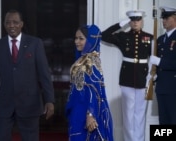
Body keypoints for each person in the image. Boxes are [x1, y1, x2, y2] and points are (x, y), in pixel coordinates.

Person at [0, 9, 55, 141]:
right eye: (8, 22)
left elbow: (44, 74)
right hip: (5, 104)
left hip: (30, 104)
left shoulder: (35, 44)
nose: (11, 25)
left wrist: (49, 100)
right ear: (4, 24)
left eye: (15, 22)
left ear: (21, 24)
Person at [101, 10, 153, 141]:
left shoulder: (150, 37)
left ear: (142, 21)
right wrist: (120, 25)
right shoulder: (123, 36)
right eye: (133, 20)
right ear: (130, 21)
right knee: (128, 113)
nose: (135, 22)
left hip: (143, 78)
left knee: (140, 113)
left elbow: (153, 58)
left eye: (138, 20)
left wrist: (152, 76)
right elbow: (104, 35)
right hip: (127, 77)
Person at [65, 24, 114, 141]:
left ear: (91, 40)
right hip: (78, 108)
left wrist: (90, 114)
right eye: (76, 38)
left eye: (81, 38)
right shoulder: (82, 59)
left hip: (86, 111)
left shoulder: (90, 62)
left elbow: (94, 89)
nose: (77, 41)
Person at [149, 6, 176, 125]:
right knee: (163, 122)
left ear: (174, 18)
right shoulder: (160, 39)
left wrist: (160, 62)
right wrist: (155, 74)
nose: (163, 21)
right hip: (161, 87)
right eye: (162, 18)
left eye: (166, 17)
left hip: (174, 88)